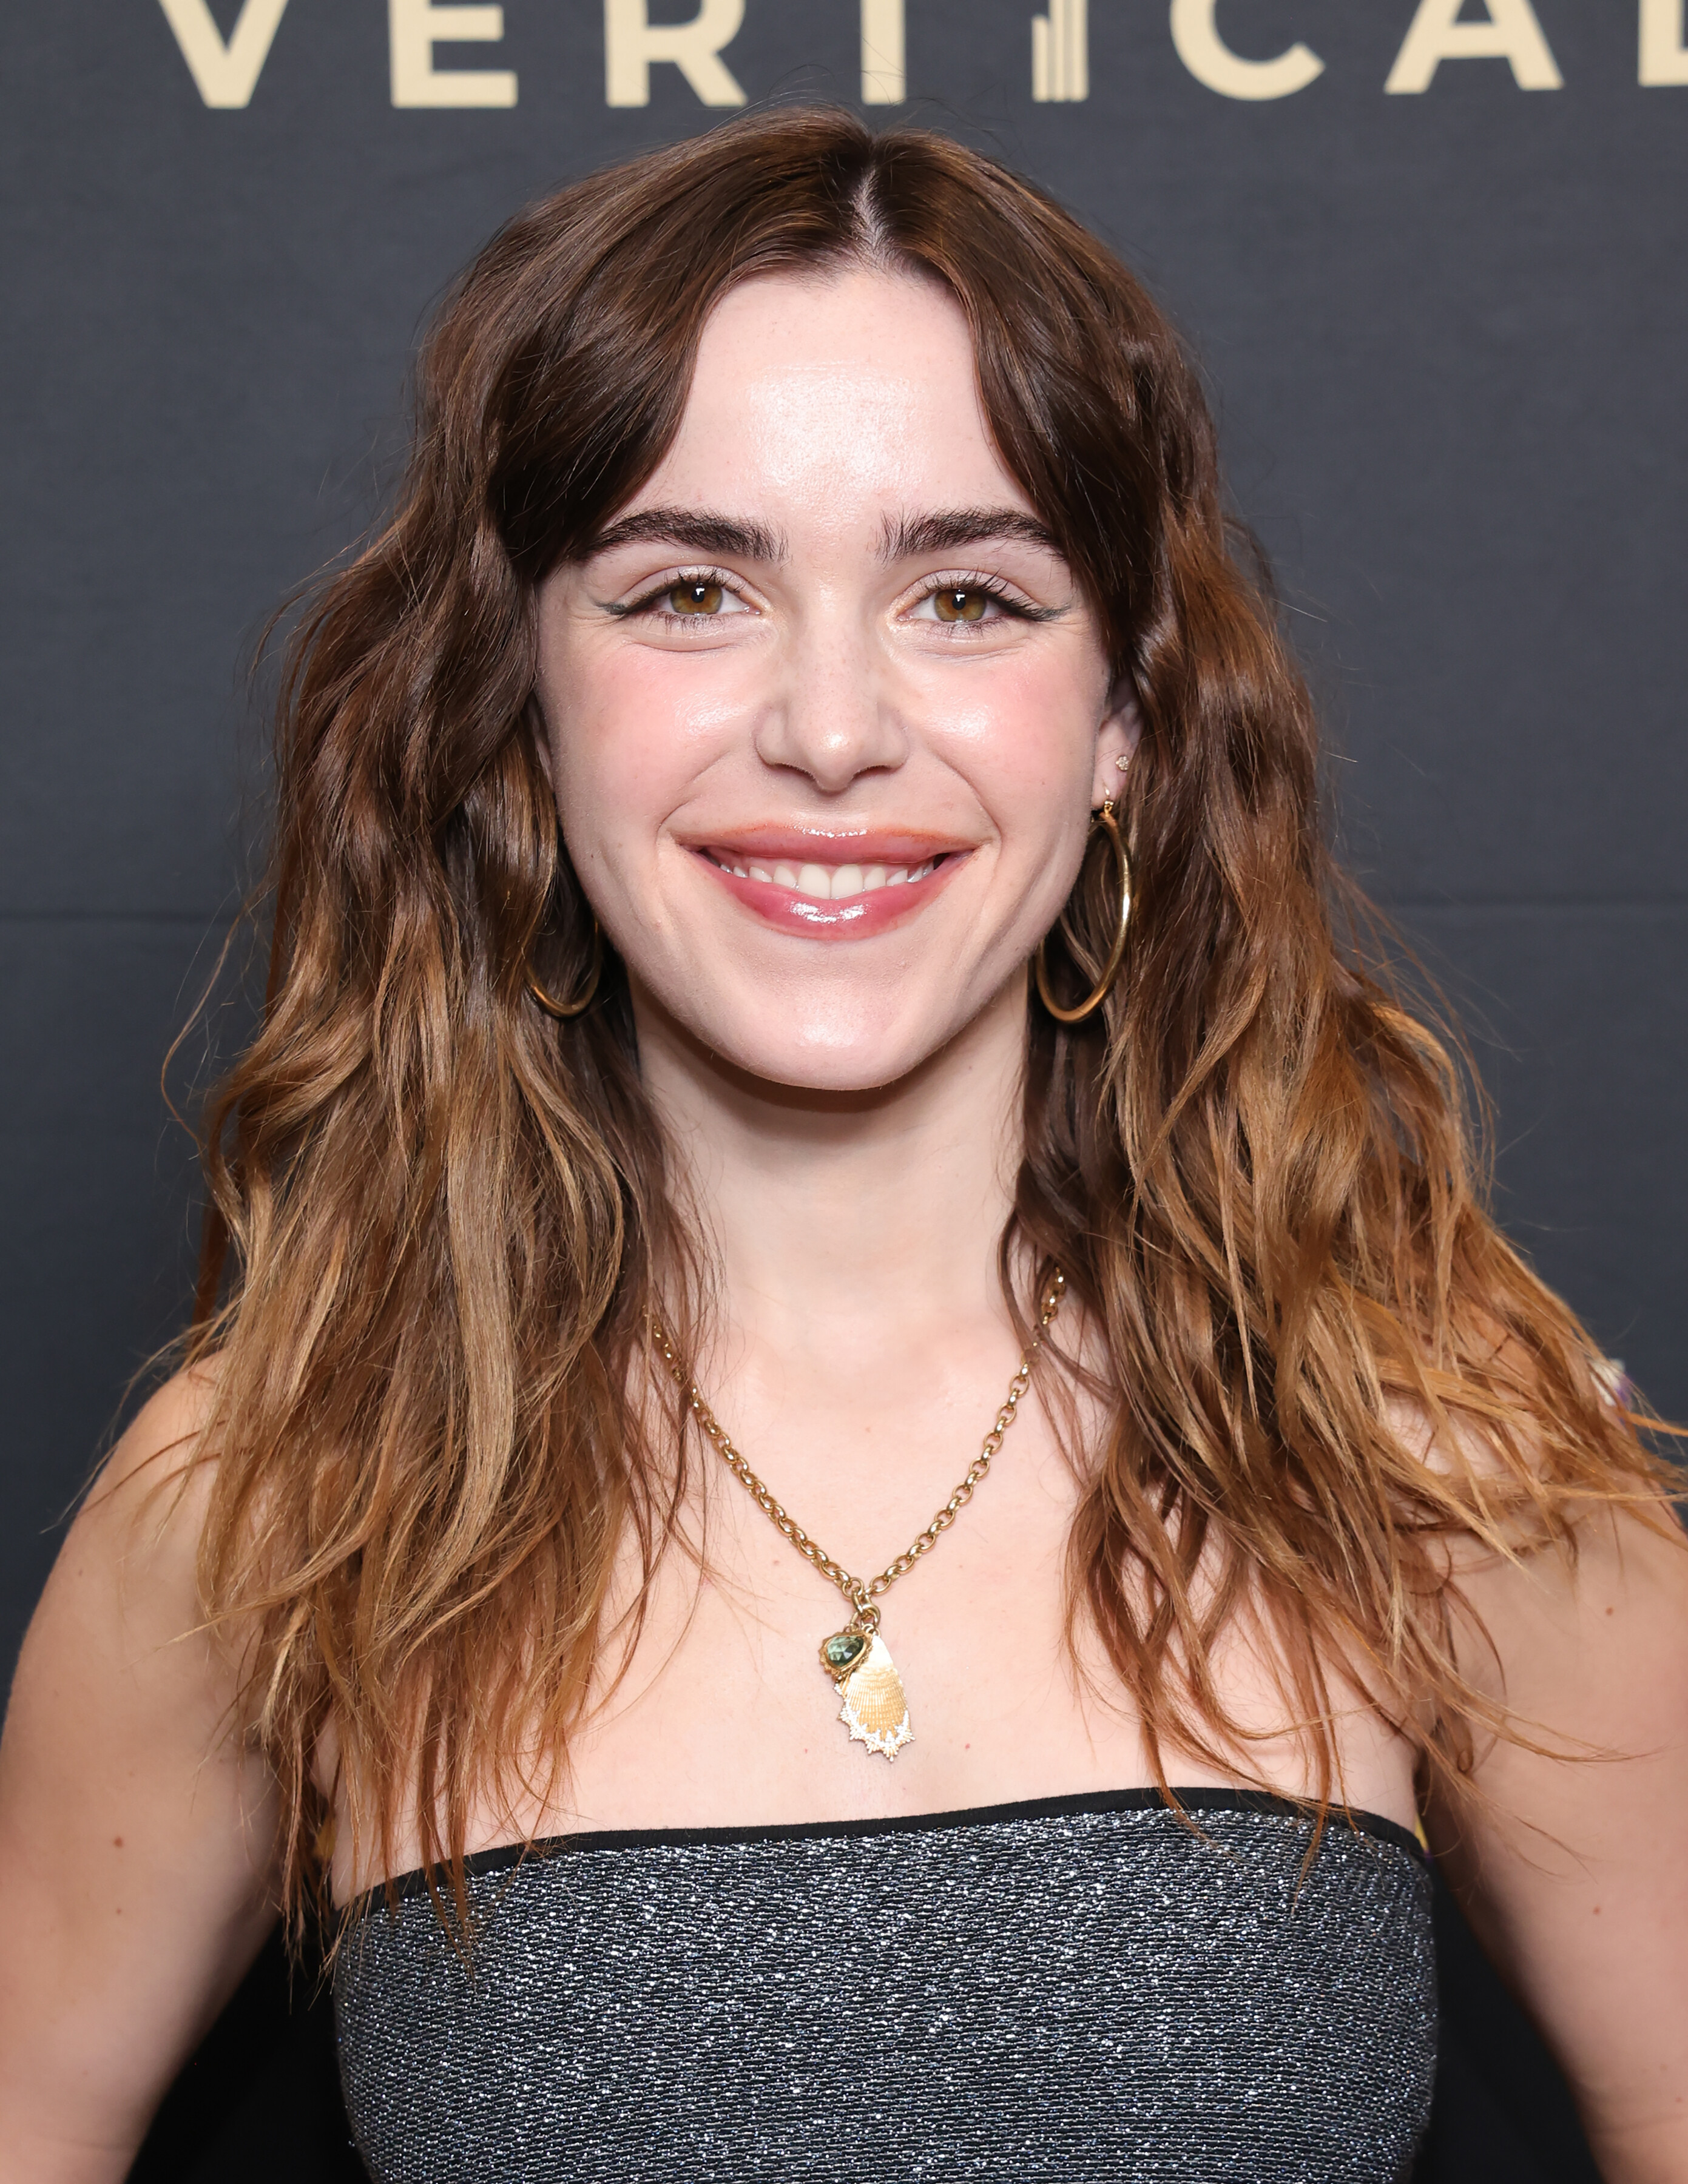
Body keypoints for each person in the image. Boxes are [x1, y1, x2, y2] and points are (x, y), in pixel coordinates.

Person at [1, 107, 1683, 2184]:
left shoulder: (1429, 1443)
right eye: (691, 589)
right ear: (521, 700)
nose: (828, 729)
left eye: (966, 596)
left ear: (1129, 718)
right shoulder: (274, 1493)